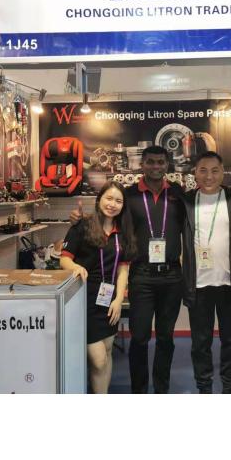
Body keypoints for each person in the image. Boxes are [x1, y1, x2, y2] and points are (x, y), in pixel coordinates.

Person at [69, 145, 185, 393]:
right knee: (139, 338)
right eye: (150, 162)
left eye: (161, 162)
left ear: (167, 165)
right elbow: (108, 218)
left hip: (172, 275)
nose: (156, 166)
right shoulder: (129, 196)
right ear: (142, 165)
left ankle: (162, 390)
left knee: (166, 338)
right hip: (141, 275)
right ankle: (139, 392)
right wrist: (80, 220)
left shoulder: (178, 193)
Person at [181, 152, 231, 393]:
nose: (208, 176)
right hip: (198, 285)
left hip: (230, 284)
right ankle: (204, 387)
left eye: (214, 170)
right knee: (200, 343)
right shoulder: (186, 202)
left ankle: (230, 387)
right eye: (203, 170)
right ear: (195, 172)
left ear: (222, 172)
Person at [61, 181, 136, 394]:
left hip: (109, 300)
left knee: (108, 351)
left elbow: (123, 268)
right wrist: (75, 267)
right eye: (109, 198)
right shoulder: (82, 226)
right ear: (99, 199)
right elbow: (64, 259)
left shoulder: (123, 232)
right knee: (99, 359)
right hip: (84, 300)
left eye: (118, 201)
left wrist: (119, 300)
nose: (112, 204)